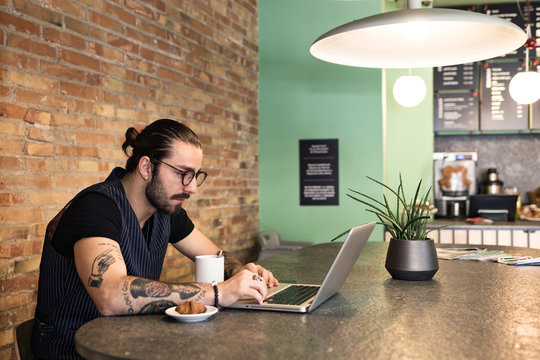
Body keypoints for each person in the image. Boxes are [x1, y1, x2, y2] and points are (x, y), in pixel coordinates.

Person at [31, 119, 279, 359]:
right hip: (74, 349)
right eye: (183, 173)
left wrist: (239, 272)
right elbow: (110, 295)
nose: (192, 188)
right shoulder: (97, 207)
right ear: (147, 167)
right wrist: (217, 292)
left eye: (195, 175)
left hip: (130, 343)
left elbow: (216, 256)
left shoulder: (165, 211)